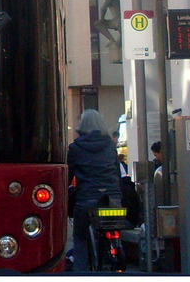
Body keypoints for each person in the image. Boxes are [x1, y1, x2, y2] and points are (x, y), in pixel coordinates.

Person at [67, 109, 122, 272]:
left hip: (86, 202)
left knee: (80, 236)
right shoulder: (111, 146)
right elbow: (117, 174)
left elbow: (69, 176)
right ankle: (116, 248)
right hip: (113, 201)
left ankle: (81, 271)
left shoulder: (75, 148)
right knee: (113, 225)